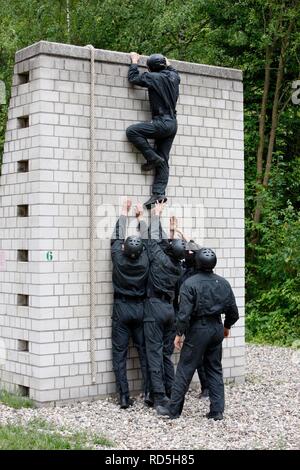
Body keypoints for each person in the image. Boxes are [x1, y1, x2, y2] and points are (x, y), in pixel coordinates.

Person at [156, 248, 239, 420]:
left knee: (185, 369)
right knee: (214, 368)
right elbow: (233, 312)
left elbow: (184, 314)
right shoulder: (223, 283)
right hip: (216, 328)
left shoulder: (190, 283)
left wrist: (179, 334)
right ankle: (217, 411)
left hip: (198, 330)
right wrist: (226, 326)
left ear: (197, 263)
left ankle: (173, 410)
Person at [143, 201, 185, 409]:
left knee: (154, 354)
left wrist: (155, 215)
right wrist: (172, 231)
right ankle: (172, 391)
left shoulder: (159, 259)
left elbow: (152, 241)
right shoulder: (178, 267)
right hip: (170, 310)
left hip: (155, 308)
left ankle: (159, 397)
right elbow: (173, 249)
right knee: (166, 355)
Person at [126, 52, 180, 209]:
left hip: (162, 122)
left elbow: (134, 78)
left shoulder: (153, 77)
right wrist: (167, 63)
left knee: (132, 131)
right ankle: (158, 193)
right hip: (172, 124)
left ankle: (152, 158)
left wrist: (134, 62)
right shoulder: (174, 77)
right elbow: (174, 70)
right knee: (164, 158)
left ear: (151, 68)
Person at [111, 198, 150, 409]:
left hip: (121, 308)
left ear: (124, 248)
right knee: (144, 352)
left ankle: (124, 397)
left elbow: (115, 238)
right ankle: (148, 392)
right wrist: (141, 219)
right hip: (140, 309)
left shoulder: (118, 257)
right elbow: (151, 244)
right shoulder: (145, 261)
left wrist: (123, 213)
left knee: (119, 354)